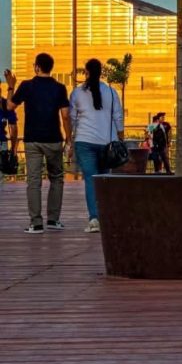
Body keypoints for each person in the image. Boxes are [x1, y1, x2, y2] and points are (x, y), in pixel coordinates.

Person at [5, 55, 72, 233]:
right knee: (56, 178)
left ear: (37, 67)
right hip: (54, 139)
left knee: (34, 181)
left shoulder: (27, 86)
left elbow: (10, 106)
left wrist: (10, 86)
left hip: (32, 140)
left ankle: (36, 223)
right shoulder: (60, 88)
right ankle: (53, 220)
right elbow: (65, 115)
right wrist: (69, 139)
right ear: (51, 67)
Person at [69, 58, 124, 233]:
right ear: (101, 73)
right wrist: (120, 139)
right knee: (103, 180)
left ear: (86, 72)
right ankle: (105, 217)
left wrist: (70, 140)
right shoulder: (112, 92)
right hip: (107, 143)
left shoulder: (77, 93)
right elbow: (118, 117)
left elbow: (71, 119)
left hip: (84, 142)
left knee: (91, 180)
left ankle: (94, 219)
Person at [0, 87, 18, 181]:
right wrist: (14, 148)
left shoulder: (5, 104)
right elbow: (13, 128)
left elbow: (13, 128)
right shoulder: (5, 104)